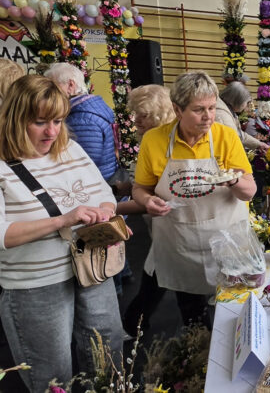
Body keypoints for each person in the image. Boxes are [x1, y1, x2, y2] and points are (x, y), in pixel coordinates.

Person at [0, 75, 122, 391]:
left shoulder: (70, 149)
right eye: (40, 122)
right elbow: (3, 235)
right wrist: (61, 221)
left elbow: (104, 192)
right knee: (52, 377)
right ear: (15, 119)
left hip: (92, 270)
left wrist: (104, 214)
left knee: (108, 359)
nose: (52, 132)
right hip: (36, 285)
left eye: (57, 121)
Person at [123, 71, 256, 333]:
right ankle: (197, 349)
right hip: (180, 238)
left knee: (233, 308)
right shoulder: (155, 140)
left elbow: (249, 192)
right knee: (192, 310)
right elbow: (140, 188)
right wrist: (148, 201)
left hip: (226, 239)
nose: (208, 116)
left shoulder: (225, 137)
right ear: (177, 109)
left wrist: (233, 180)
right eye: (198, 110)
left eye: (211, 108)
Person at [44, 62, 119, 182]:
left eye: (53, 86)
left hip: (93, 184)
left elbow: (84, 163)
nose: (49, 92)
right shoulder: (91, 107)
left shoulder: (81, 118)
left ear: (71, 84)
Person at [116, 84, 177, 217]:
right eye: (136, 113)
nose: (137, 120)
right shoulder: (149, 139)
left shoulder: (165, 145)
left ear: (160, 116)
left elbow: (157, 197)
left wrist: (112, 209)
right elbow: (146, 184)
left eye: (144, 115)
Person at [217, 81, 269, 151]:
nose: (246, 106)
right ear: (238, 100)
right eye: (247, 102)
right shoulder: (223, 116)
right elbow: (235, 139)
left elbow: (240, 134)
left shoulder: (227, 109)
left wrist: (258, 144)